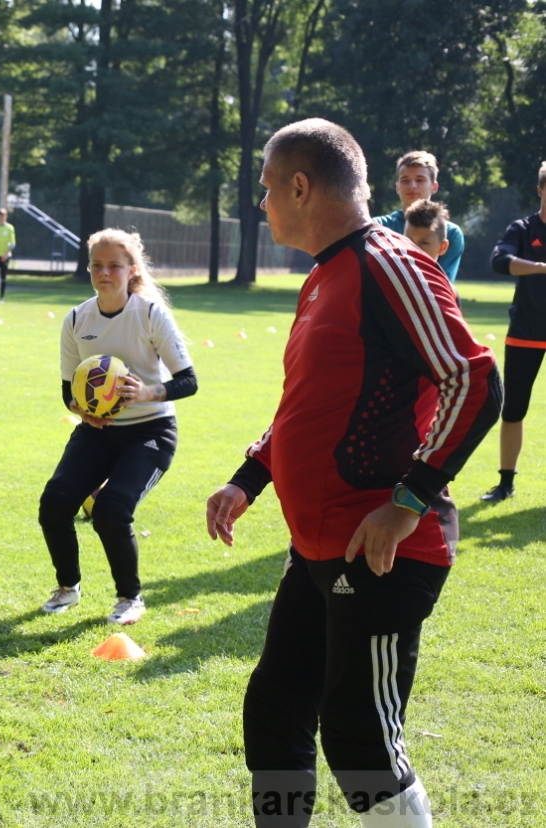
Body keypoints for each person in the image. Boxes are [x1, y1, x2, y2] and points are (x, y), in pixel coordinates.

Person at [205, 120, 500, 828]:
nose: (263, 202)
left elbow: (475, 382)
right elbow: (312, 404)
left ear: (302, 187)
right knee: (276, 709)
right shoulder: (326, 273)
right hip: (317, 547)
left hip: (384, 549)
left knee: (361, 739)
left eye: (269, 187)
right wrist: (249, 477)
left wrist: (408, 502)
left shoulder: (388, 264)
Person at [37, 228, 196, 625]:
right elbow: (66, 388)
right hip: (100, 432)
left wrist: (146, 392)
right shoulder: (77, 318)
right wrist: (80, 409)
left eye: (114, 266)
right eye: (96, 265)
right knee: (55, 502)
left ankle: (130, 598)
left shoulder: (149, 314)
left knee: (111, 509)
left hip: (151, 432)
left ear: (132, 270)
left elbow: (188, 381)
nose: (104, 273)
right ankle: (67, 588)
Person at [479, 161, 546, 503]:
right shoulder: (522, 228)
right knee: (514, 409)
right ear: (540, 190)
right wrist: (539, 267)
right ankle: (505, 484)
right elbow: (498, 260)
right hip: (527, 331)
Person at [372, 150, 465, 282]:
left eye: (420, 180)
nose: (412, 186)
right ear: (397, 187)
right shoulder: (377, 227)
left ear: (434, 187)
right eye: (405, 180)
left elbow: (442, 284)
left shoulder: (450, 233)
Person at [402, 199, 450, 264]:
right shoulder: (390, 271)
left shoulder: (438, 274)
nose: (414, 249)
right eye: (408, 240)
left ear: (442, 247)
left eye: (424, 243)